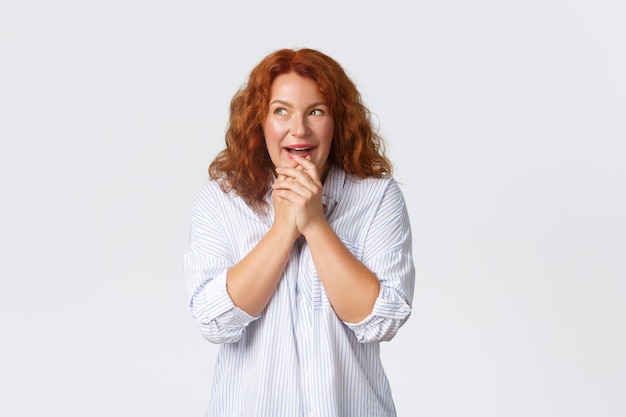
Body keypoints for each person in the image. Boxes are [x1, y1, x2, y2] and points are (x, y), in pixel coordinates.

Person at [184, 47, 415, 417]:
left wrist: (315, 223)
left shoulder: (377, 198)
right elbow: (215, 323)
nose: (299, 129)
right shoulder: (221, 202)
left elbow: (380, 321)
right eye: (281, 111)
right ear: (259, 122)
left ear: (337, 120)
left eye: (316, 112)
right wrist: (283, 229)